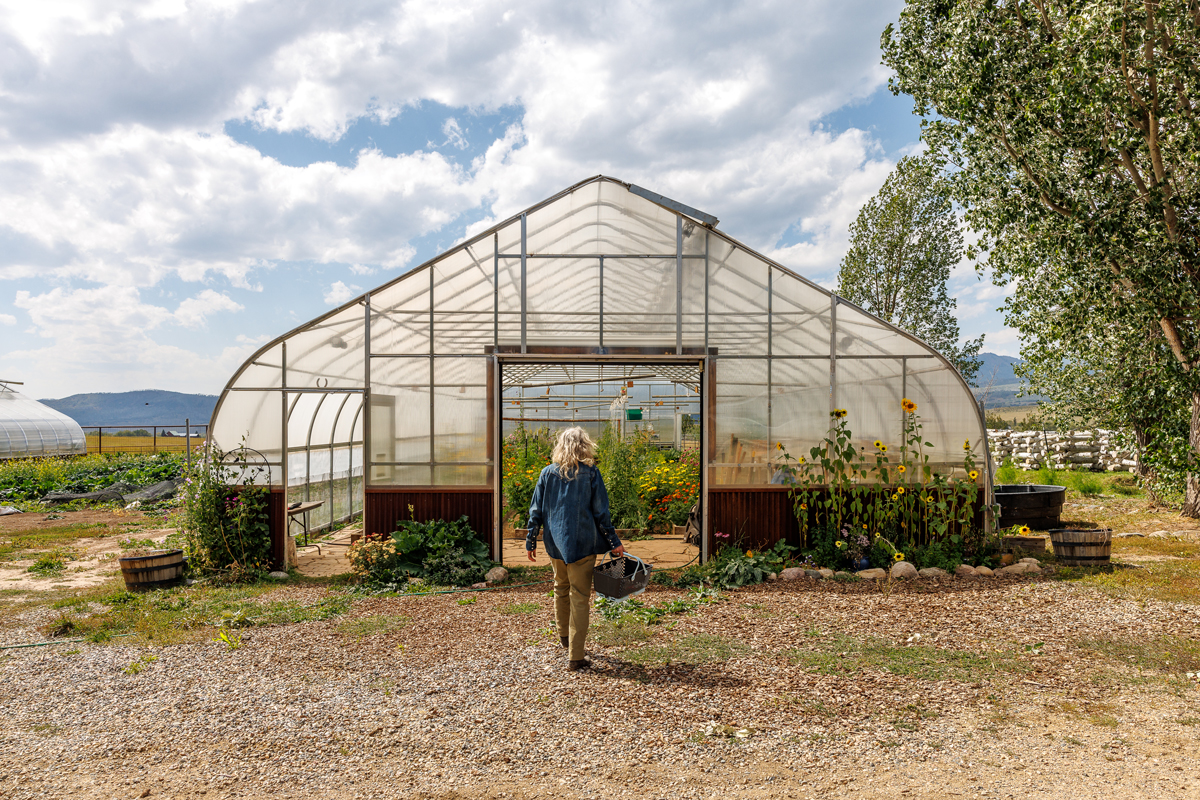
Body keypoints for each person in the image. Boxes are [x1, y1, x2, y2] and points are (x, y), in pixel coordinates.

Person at [526, 426, 624, 671]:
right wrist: (614, 542)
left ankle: (565, 639)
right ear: (585, 445)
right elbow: (602, 513)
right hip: (582, 544)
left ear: (560, 446)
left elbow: (535, 510)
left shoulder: (547, 473)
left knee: (560, 588)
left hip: (555, 543)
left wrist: (530, 539)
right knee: (579, 596)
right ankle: (576, 656)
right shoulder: (591, 473)